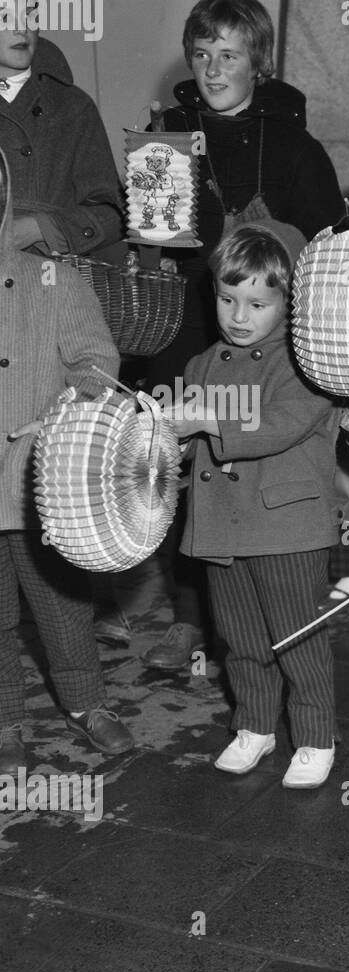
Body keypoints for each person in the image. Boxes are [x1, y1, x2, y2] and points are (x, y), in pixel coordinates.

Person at [143, 0, 345, 672]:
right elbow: (155, 246)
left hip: (269, 333)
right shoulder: (168, 133)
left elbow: (323, 253)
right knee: (186, 466)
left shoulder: (292, 142)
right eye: (201, 54)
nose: (212, 68)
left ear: (257, 60)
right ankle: (189, 614)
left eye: (228, 54)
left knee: (253, 464)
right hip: (188, 322)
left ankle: (269, 605)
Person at [166, 221, 342, 789]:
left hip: (286, 525)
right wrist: (162, 431)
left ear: (289, 303)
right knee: (239, 640)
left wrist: (205, 420)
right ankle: (255, 726)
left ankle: (316, 738)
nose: (239, 316)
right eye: (226, 299)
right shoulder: (200, 365)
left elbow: (278, 425)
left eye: (257, 303)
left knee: (298, 639)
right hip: (221, 526)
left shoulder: (308, 362)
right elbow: (189, 440)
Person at [0, 146, 133, 776]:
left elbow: (97, 362)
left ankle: (87, 703)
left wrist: (60, 414)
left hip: (36, 476)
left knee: (63, 604)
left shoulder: (52, 279)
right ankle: (5, 718)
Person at [0, 25, 121, 257]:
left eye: (28, 14)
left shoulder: (74, 107)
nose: (20, 28)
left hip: (51, 281)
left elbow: (113, 215)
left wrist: (41, 228)